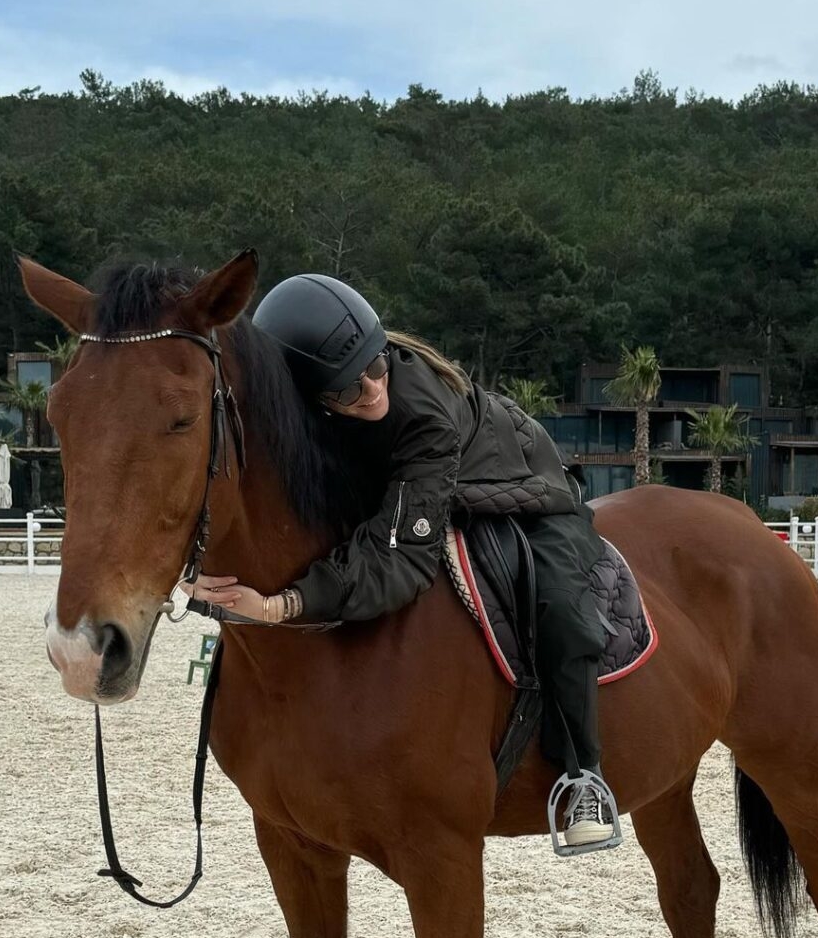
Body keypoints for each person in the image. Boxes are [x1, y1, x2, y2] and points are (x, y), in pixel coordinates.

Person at [190, 274, 615, 847]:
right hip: (412, 481)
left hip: (522, 485)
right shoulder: (303, 411)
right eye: (346, 389)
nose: (370, 390)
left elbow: (403, 559)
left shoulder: (418, 416)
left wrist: (280, 604)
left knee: (562, 605)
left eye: (376, 366)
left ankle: (582, 774)